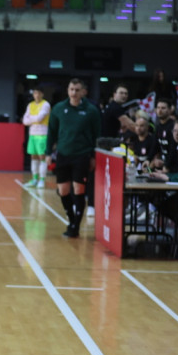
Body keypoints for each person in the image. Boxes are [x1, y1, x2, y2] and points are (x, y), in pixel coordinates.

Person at [47, 78, 101, 238]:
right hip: (63, 154)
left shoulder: (91, 111)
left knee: (79, 190)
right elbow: (52, 132)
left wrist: (93, 156)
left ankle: (76, 226)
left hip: (82, 155)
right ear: (67, 91)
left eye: (77, 90)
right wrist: (48, 153)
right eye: (71, 89)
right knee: (63, 191)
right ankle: (71, 218)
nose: (74, 93)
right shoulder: (58, 108)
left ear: (83, 91)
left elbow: (97, 135)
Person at [22, 87, 51, 188]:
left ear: (42, 94)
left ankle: (42, 179)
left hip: (42, 134)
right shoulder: (30, 105)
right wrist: (33, 119)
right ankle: (34, 179)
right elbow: (25, 121)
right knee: (33, 157)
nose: (37, 95)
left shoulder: (46, 104)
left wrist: (31, 118)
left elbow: (40, 118)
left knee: (42, 157)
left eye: (39, 93)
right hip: (32, 134)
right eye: (35, 93)